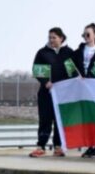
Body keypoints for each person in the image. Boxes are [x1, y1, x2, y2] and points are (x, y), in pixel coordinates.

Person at [29, 27, 76, 158]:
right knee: (45, 119)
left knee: (59, 120)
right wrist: (46, 82)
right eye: (49, 37)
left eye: (54, 37)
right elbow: (37, 70)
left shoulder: (68, 52)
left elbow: (72, 72)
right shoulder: (43, 53)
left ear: (61, 38)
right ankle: (41, 146)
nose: (51, 40)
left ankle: (58, 147)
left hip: (62, 94)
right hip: (46, 93)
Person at [73, 23, 95, 158]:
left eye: (88, 34)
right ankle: (90, 145)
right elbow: (68, 64)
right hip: (83, 89)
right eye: (83, 35)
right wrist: (76, 75)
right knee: (87, 118)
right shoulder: (79, 51)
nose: (85, 37)